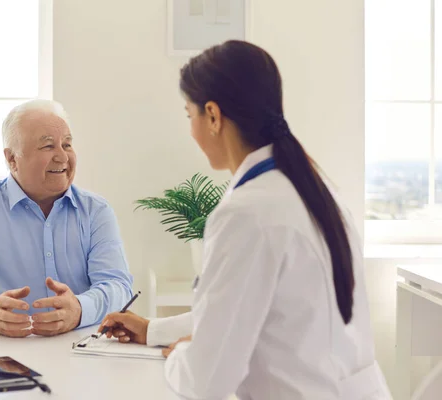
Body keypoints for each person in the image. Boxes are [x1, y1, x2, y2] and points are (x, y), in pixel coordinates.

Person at [100, 41, 392, 399]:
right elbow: (255, 312)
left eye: (188, 115)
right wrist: (153, 330)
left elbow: (205, 382)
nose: (191, 129)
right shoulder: (317, 191)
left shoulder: (246, 213)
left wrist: (177, 357)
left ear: (212, 115)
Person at [0, 99, 133, 338]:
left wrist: (79, 309)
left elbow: (119, 287)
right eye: (47, 146)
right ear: (12, 159)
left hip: (79, 351)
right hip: (1, 353)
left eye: (67, 144)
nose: (63, 157)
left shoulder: (96, 211)